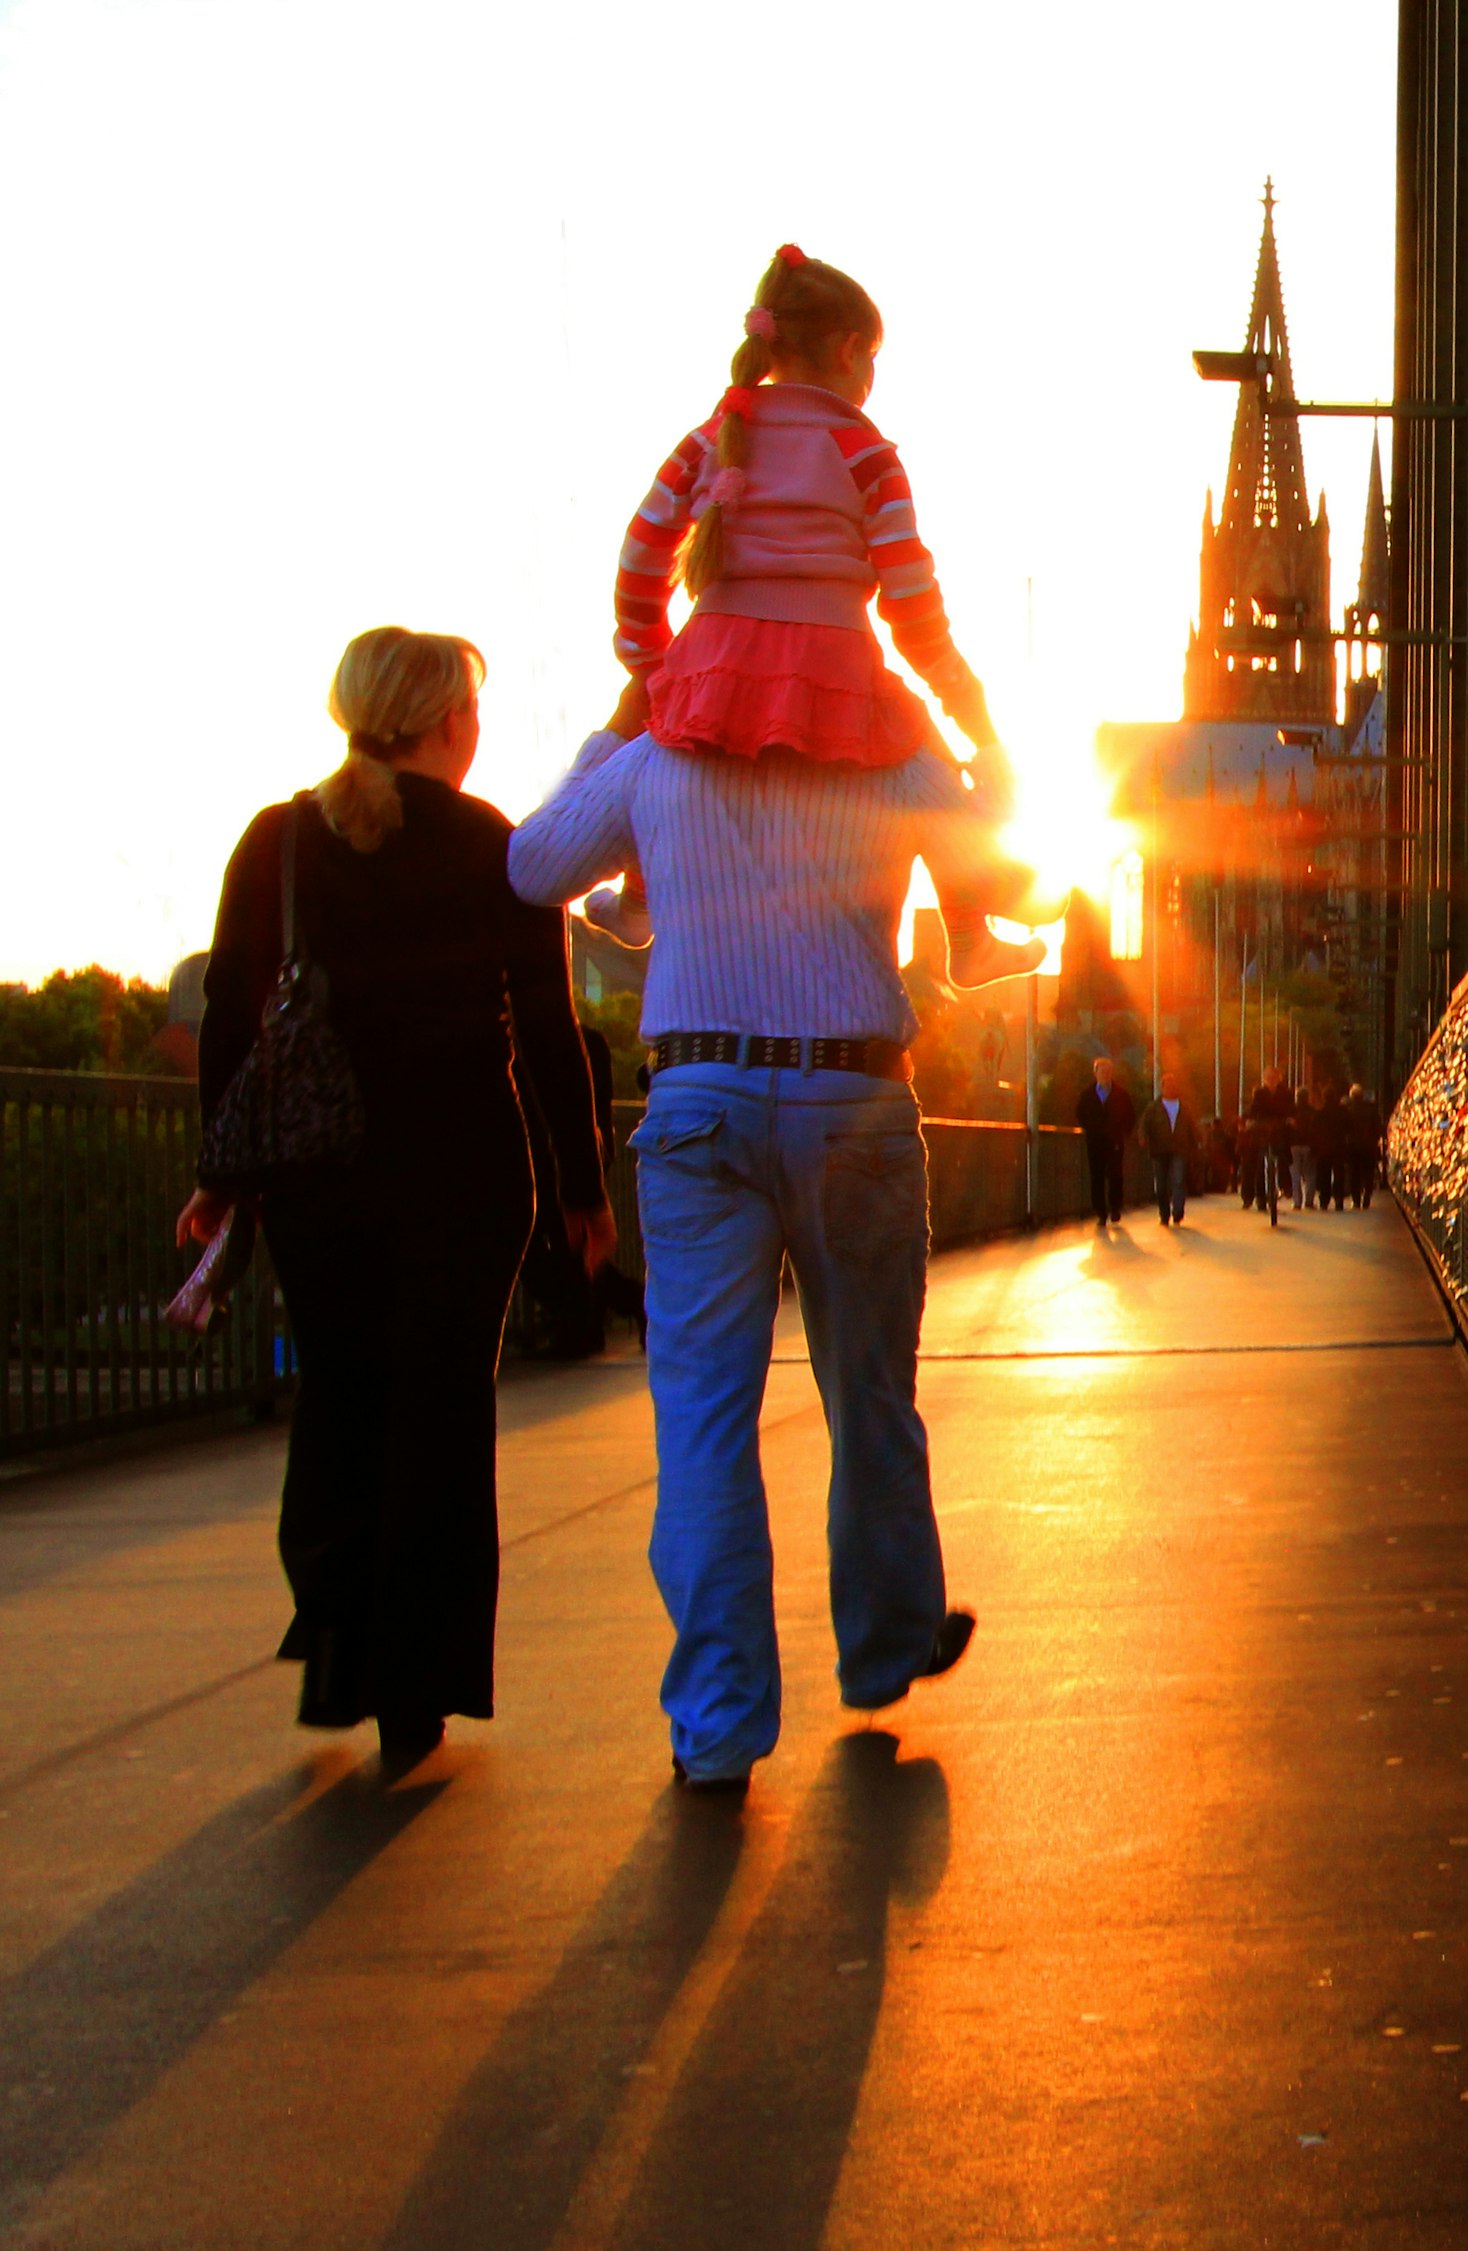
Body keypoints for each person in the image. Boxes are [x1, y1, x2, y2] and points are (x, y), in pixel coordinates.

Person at [509, 672, 987, 1792]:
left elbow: (532, 866)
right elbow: (993, 880)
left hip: (699, 1097)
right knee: (868, 1395)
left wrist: (616, 729)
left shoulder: (658, 758)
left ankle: (717, 1724)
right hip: (853, 1096)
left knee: (704, 1421)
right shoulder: (892, 743)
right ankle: (882, 1646)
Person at [182, 628, 612, 1776]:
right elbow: (548, 1037)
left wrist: (220, 1179)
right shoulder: (501, 850)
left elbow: (233, 1014)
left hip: (319, 1181)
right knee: (441, 1419)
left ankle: (336, 1643)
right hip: (466, 1180)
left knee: (339, 1400)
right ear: (445, 723)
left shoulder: (278, 841)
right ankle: (414, 1687)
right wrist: (581, 1189)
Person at [595, 244, 1038, 987]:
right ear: (848, 349)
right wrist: (974, 715)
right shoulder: (866, 452)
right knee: (927, 771)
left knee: (666, 753)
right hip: (835, 675)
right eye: (874, 359)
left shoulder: (707, 441)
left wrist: (657, 664)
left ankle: (640, 899)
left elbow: (640, 561)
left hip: (710, 671)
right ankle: (969, 934)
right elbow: (911, 604)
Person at [1074, 1056, 1132, 1231]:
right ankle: (1100, 1212)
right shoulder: (1087, 1095)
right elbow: (1080, 1114)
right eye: (1102, 1071)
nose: (1105, 1074)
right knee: (1096, 1177)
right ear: (1095, 1073)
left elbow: (1130, 1115)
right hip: (1095, 1142)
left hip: (1114, 1142)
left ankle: (1115, 1207)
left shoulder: (1121, 1094)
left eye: (1108, 1071)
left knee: (1115, 1175)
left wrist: (1123, 1133)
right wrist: (1090, 1129)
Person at [1244, 1065, 1298, 1219]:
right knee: (1261, 1164)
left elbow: (1292, 1109)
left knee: (1283, 1155)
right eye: (1267, 1078)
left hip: (1280, 1129)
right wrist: (1250, 1120)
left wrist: (1291, 1119)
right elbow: (1253, 1109)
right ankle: (1261, 1198)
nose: (1270, 1081)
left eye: (1273, 1078)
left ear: (1278, 1078)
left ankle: (1285, 1185)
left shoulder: (1286, 1093)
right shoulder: (1259, 1093)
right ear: (1264, 1079)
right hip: (1263, 1131)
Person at [1140, 1078, 1193, 1226]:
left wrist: (1195, 1144)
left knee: (1178, 1180)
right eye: (1168, 1086)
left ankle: (1177, 1212)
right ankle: (1164, 1214)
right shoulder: (1153, 1108)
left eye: (1173, 1086)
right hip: (1159, 1150)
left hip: (1179, 1149)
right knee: (1161, 1185)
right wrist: (1143, 1137)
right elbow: (1144, 1124)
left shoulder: (1184, 1108)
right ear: (1162, 1088)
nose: (1171, 1088)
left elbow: (1191, 1128)